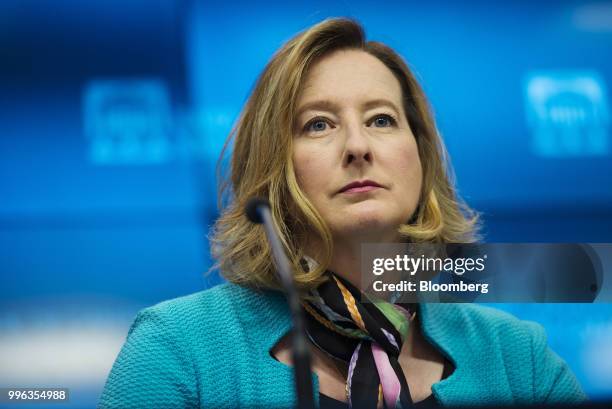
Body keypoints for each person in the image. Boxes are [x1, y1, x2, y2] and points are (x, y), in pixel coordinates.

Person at [98, 18, 586, 409]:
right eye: (318, 125)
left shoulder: (516, 357)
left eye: (381, 119)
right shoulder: (179, 350)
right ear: (273, 166)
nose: (357, 146)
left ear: (421, 156)